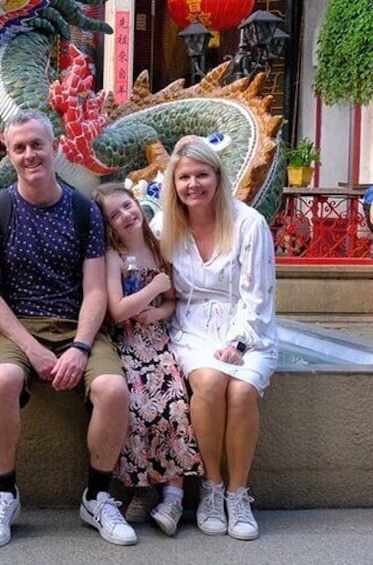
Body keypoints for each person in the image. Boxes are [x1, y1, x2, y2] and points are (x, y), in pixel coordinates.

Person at [0, 109, 136, 548]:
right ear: (9, 154)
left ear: (54, 147)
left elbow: (96, 291)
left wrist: (80, 347)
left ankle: (98, 496)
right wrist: (34, 349)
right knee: (3, 378)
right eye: (19, 148)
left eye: (36, 145)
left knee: (114, 391)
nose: (29, 155)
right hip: (16, 329)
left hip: (76, 325)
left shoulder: (84, 211)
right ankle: (4, 493)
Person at [159, 137, 278, 541]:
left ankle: (237, 493)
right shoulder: (166, 226)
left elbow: (258, 297)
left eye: (202, 175)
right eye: (185, 177)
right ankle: (211, 486)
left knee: (242, 391)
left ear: (218, 177)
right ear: (174, 183)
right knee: (209, 382)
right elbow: (133, 251)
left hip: (248, 328)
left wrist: (239, 343)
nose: (194, 184)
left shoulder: (249, 223)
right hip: (193, 327)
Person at [93, 183, 202, 537]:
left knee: (174, 404)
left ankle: (173, 493)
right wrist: (151, 291)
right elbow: (118, 309)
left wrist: (158, 312)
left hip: (157, 342)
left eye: (128, 206)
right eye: (115, 214)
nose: (126, 216)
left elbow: (171, 301)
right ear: (108, 224)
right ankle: (140, 487)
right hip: (126, 343)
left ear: (137, 203)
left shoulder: (158, 249)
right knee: (137, 409)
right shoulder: (113, 256)